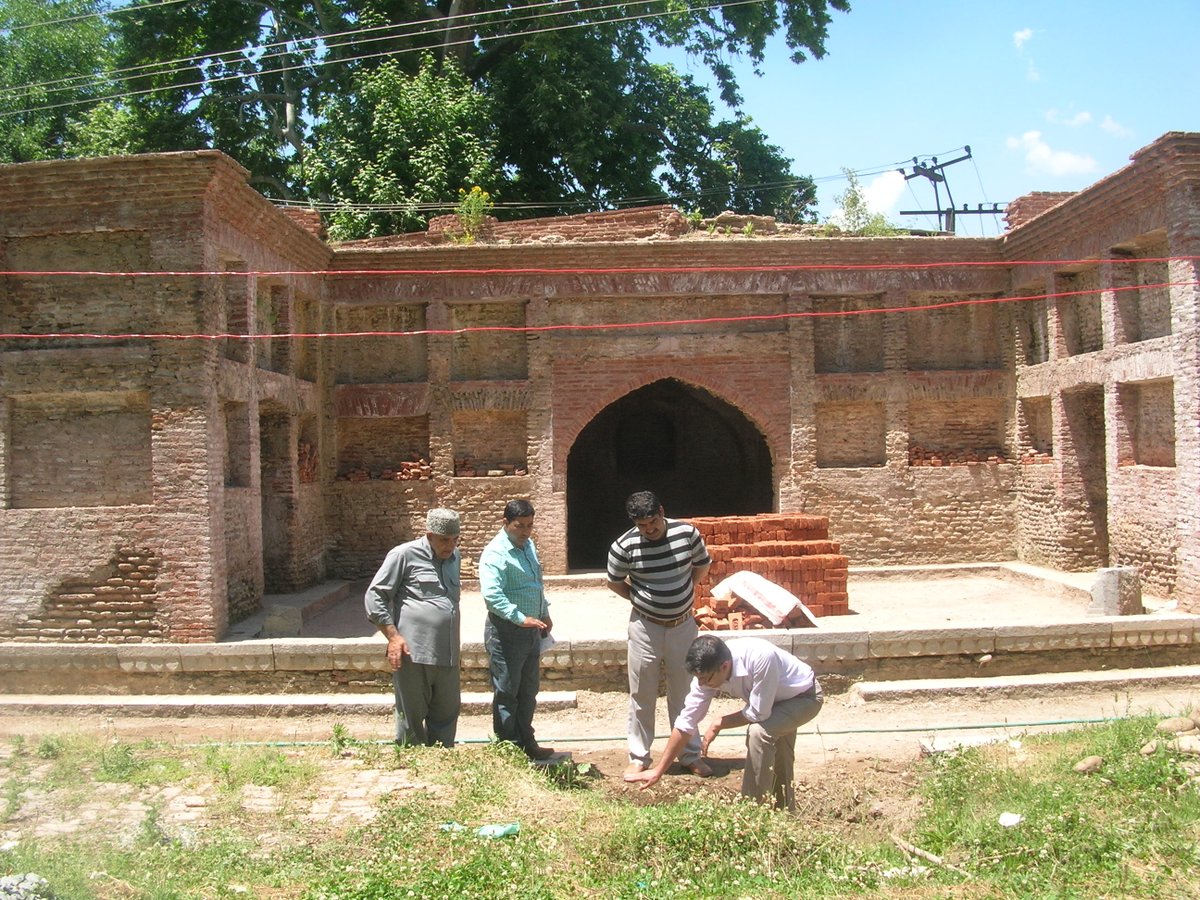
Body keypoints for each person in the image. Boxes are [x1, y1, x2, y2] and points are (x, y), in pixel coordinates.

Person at [625, 634, 824, 810]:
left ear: (725, 666)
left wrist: (719, 722)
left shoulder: (760, 657)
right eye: (698, 678)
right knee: (780, 757)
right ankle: (784, 813)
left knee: (759, 733)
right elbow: (686, 722)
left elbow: (758, 713)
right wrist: (659, 770)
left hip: (804, 697)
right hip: (775, 702)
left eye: (706, 679)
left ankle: (752, 811)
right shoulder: (708, 672)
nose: (702, 684)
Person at [606, 490, 712, 779]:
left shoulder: (687, 534)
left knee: (686, 692)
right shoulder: (624, 546)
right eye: (642, 526)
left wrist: (683, 594)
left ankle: (690, 754)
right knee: (642, 693)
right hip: (645, 627)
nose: (649, 530)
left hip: (683, 625)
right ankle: (639, 757)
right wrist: (643, 601)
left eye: (653, 522)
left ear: (662, 512)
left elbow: (702, 565)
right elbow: (614, 582)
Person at [364, 508, 463, 748]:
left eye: (454, 540)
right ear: (429, 536)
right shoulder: (403, 555)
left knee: (447, 713)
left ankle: (441, 765)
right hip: (413, 653)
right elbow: (375, 595)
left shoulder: (454, 558)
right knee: (411, 720)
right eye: (444, 540)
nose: (449, 546)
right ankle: (413, 765)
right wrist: (393, 637)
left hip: (448, 653)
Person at [479, 499, 555, 760]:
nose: (525, 531)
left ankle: (527, 742)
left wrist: (544, 611)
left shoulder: (528, 546)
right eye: (519, 526)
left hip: (532, 630)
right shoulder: (496, 553)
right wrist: (520, 617)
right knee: (507, 692)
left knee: (528, 690)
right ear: (505, 523)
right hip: (507, 631)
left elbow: (536, 582)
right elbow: (491, 595)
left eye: (529, 525)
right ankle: (509, 748)